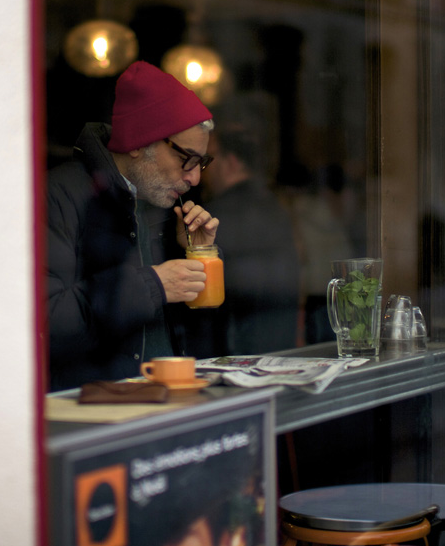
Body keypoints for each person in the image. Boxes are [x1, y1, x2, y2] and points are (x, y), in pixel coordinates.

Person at [46, 61, 220, 391]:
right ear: (140, 143)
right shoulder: (59, 195)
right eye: (188, 159)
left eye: (202, 163)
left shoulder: (163, 202)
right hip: (99, 413)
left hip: (170, 402)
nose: (195, 178)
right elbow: (46, 320)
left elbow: (198, 327)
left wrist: (199, 252)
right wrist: (153, 285)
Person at [200, 123, 301, 354]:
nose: (202, 169)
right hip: (279, 347)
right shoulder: (276, 208)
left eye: (209, 158)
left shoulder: (217, 216)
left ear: (232, 162)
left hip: (234, 355)